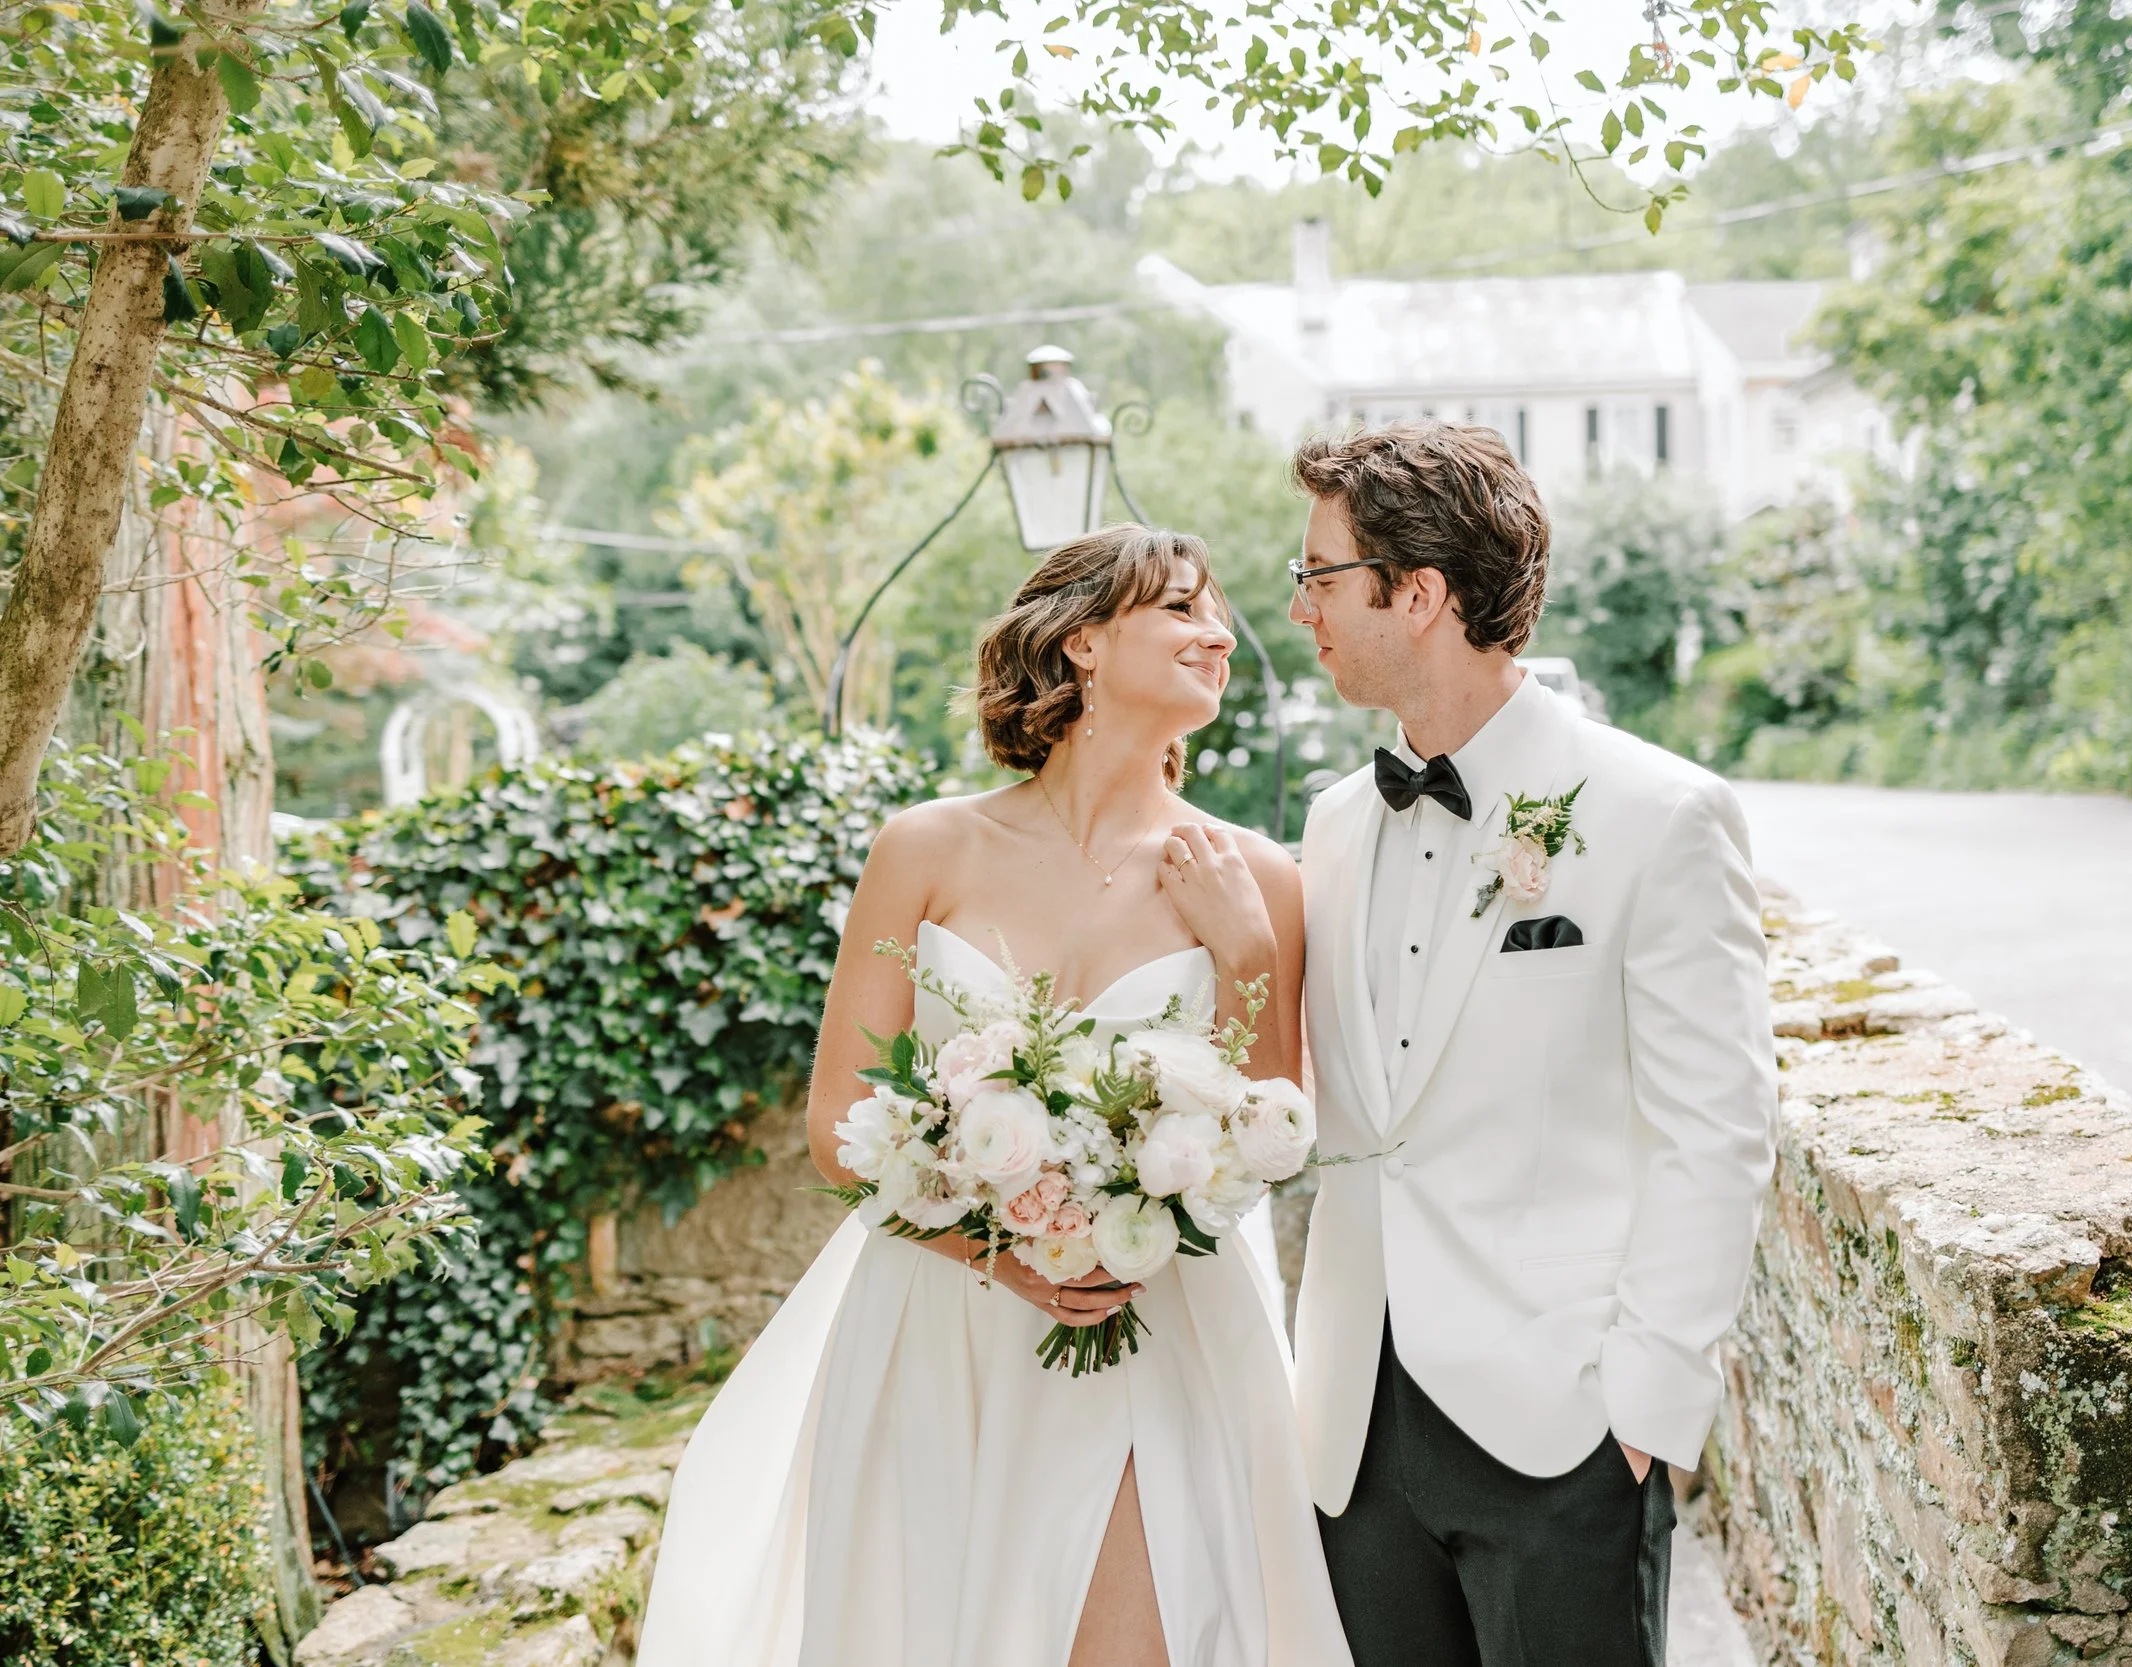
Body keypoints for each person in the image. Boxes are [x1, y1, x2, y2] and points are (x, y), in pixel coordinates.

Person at [638, 526, 1355, 1667]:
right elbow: (839, 1125)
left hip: (1153, 1319)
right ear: (1081, 642)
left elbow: (1271, 1129)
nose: (1219, 632)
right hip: (944, 1317)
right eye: (1181, 608)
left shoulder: (1253, 873)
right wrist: (1003, 1252)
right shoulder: (926, 848)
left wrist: (1247, 953)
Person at [1286, 422, 1778, 1667]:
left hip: (1564, 1426)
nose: (1299, 609)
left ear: (1422, 592)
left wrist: (1649, 1404)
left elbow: (1714, 1129)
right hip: (1354, 1428)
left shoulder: (1656, 812)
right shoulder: (1334, 825)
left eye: (1320, 575)